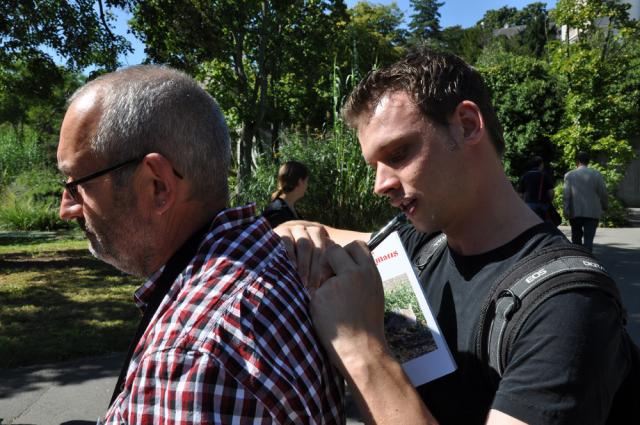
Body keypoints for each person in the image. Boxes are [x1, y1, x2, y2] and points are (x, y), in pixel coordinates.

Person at [275, 49, 630, 425]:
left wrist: (361, 351)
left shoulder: (567, 308)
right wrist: (291, 228)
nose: (380, 185)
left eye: (398, 153)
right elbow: (317, 236)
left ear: (467, 124)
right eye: (374, 166)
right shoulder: (422, 248)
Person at [56, 65, 344, 424]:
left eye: (76, 184)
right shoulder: (269, 260)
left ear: (158, 186)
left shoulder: (190, 363)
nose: (65, 208)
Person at [563, 151, 608, 252]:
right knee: (588, 241)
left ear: (577, 161)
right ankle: (588, 259)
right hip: (592, 213)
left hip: (575, 212)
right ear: (588, 162)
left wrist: (566, 210)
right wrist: (605, 206)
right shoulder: (596, 174)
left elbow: (566, 195)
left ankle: (578, 259)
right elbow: (603, 193)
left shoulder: (569, 175)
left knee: (576, 239)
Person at [262, 160, 309, 228]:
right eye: (306, 181)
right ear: (300, 182)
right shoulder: (276, 211)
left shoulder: (289, 208)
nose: (307, 186)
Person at [517, 155, 555, 221]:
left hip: (528, 206)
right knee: (543, 227)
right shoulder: (545, 176)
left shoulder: (525, 176)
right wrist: (548, 202)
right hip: (542, 206)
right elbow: (551, 192)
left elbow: (520, 194)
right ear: (541, 164)